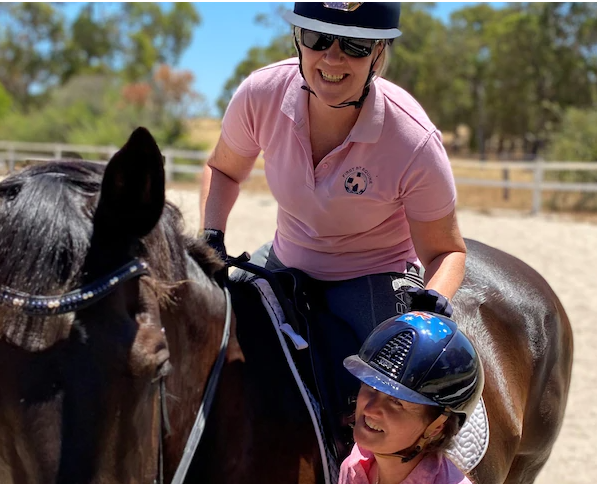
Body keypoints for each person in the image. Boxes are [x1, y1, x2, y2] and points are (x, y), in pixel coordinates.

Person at [199, 1, 467, 457]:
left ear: (379, 53)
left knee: (396, 400)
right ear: (298, 40)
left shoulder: (413, 140)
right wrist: (211, 237)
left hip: (372, 273)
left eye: (355, 45)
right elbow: (223, 170)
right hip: (285, 257)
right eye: (317, 38)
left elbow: (446, 252)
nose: (333, 57)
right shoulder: (260, 94)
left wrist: (431, 304)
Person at [339, 311, 483, 484]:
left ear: (436, 427)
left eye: (396, 402)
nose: (369, 409)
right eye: (370, 388)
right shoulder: (354, 464)